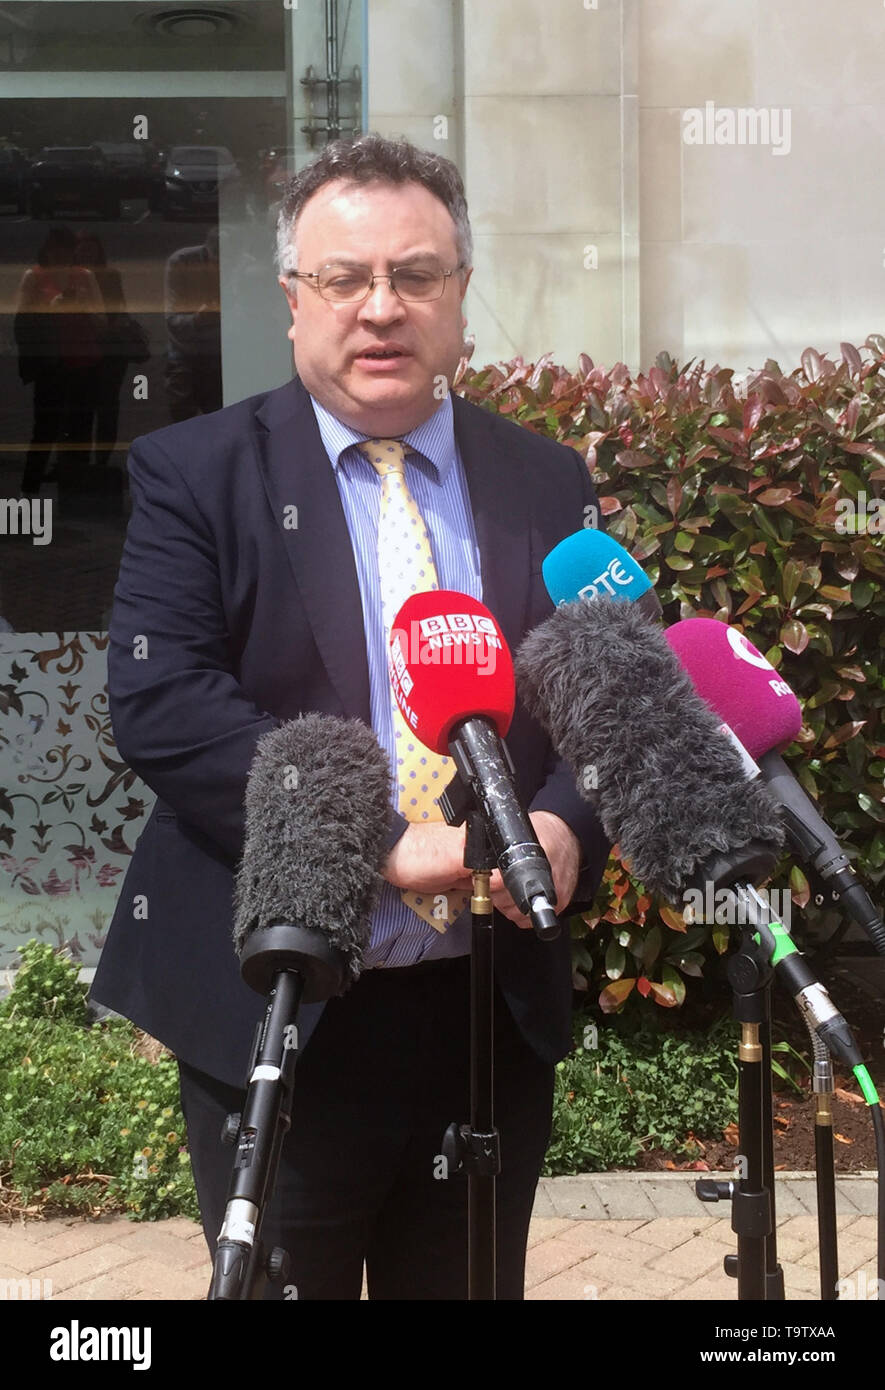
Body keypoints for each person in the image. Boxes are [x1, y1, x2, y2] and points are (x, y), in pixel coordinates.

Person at [90, 134, 610, 1300]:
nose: (382, 308)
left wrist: (570, 821)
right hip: (283, 999)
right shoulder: (196, 470)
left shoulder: (546, 479)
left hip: (486, 1012)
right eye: (345, 278)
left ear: (461, 295)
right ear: (293, 300)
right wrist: (383, 838)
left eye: (416, 275)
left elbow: (607, 695)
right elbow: (167, 703)